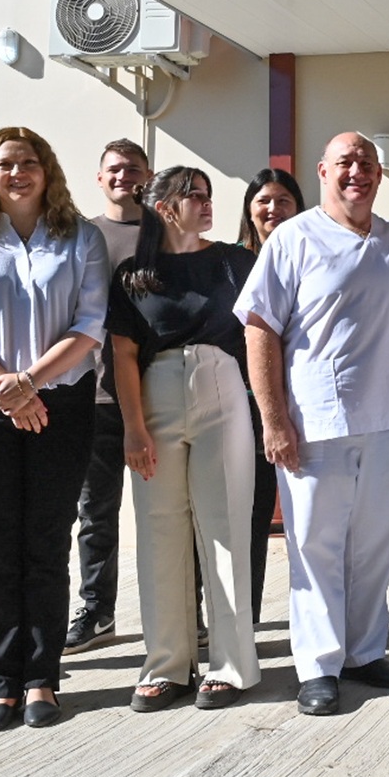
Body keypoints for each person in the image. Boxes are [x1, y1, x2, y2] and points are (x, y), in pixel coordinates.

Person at [236, 133, 389, 716]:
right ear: (323, 171)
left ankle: (364, 652)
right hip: (316, 422)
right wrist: (274, 419)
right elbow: (259, 328)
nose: (357, 173)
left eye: (367, 164)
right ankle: (318, 665)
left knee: (375, 544)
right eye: (345, 163)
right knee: (316, 547)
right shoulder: (293, 239)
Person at [0, 127, 109, 730]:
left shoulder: (80, 236)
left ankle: (42, 682)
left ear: (46, 170)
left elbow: (90, 325)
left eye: (28, 162)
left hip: (59, 403)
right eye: (4, 164)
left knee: (46, 542)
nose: (17, 172)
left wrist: (28, 382)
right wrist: (7, 390)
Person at [110, 167, 262, 711]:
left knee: (224, 528)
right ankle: (167, 664)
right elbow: (124, 352)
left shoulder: (232, 260)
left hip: (222, 390)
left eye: (207, 195)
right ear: (165, 207)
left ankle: (229, 665)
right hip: (155, 396)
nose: (205, 203)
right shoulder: (133, 274)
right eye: (193, 195)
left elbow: (263, 333)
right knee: (159, 531)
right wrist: (133, 426)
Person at [66, 138, 151, 656]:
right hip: (95, 398)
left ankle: (191, 612)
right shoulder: (81, 235)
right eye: (114, 170)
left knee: (172, 511)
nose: (123, 176)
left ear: (148, 174)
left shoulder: (164, 233)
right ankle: (98, 612)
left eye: (133, 169)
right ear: (99, 179)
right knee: (96, 512)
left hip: (157, 396)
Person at [235, 167, 305, 622]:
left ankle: (257, 612)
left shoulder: (305, 253)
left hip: (292, 403)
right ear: (249, 210)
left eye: (283, 200)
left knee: (268, 510)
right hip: (235, 402)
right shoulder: (231, 261)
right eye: (263, 200)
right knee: (237, 513)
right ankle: (235, 612)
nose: (273, 209)